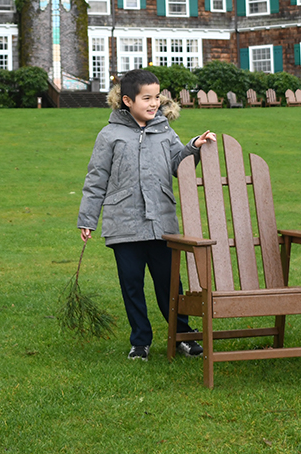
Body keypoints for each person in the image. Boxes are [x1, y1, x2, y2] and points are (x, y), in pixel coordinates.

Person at [78, 69, 216, 360]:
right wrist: (88, 219)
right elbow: (96, 178)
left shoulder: (164, 130)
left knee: (170, 284)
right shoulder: (110, 135)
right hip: (123, 225)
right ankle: (140, 341)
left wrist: (194, 147)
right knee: (132, 285)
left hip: (162, 222)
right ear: (127, 100)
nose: (154, 103)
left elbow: (179, 165)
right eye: (147, 98)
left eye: (157, 97)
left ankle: (183, 336)